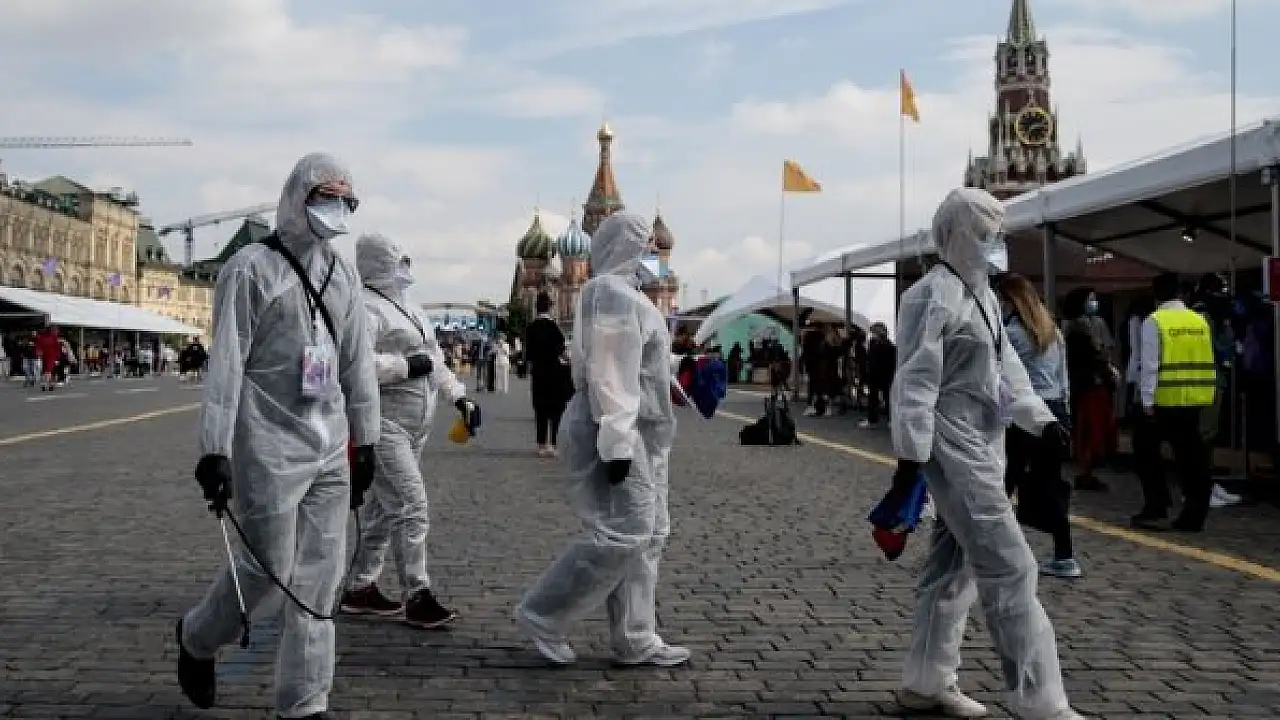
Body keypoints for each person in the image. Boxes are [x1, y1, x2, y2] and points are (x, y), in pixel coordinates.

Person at [176, 153, 381, 720]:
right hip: (268, 442)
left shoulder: (343, 275)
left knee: (320, 577)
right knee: (266, 567)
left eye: (345, 199)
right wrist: (214, 449)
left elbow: (358, 363)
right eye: (326, 196)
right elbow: (227, 363)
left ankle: (305, 702)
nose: (336, 208)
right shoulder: (250, 269)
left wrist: (365, 439)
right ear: (298, 196)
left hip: (329, 442)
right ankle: (197, 637)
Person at [888, 188, 1080, 720]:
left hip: (983, 443)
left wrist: (1040, 420)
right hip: (951, 445)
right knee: (1011, 566)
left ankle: (926, 681)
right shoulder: (931, 295)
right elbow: (915, 384)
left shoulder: (982, 297)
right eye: (983, 232)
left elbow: (1006, 371)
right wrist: (910, 461)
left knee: (952, 570)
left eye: (998, 231)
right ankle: (1040, 700)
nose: (993, 241)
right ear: (956, 233)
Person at [514, 212, 689, 668]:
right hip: (618, 429)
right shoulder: (611, 293)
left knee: (650, 533)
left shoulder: (630, 296)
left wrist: (677, 382)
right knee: (626, 532)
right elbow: (611, 374)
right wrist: (617, 444)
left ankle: (635, 635)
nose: (656, 254)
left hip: (641, 430)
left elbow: (642, 364)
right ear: (626, 246)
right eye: (648, 245)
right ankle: (543, 613)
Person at [341, 232, 475, 629]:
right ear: (379, 263)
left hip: (416, 425)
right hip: (383, 424)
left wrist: (459, 397)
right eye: (398, 261)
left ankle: (360, 587)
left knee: (384, 511)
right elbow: (355, 363)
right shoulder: (362, 307)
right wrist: (404, 367)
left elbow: (435, 360)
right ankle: (417, 593)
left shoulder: (410, 308)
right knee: (411, 505)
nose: (406, 268)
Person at [996, 273, 1079, 579]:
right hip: (1054, 411)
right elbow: (1063, 380)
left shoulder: (1011, 334)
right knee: (1052, 484)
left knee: (1005, 482)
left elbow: (1001, 379)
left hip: (1025, 413)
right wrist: (1064, 418)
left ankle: (995, 553)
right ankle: (1064, 556)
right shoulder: (1052, 331)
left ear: (1009, 301)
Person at [1130, 273, 1216, 533]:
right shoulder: (1199, 320)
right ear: (1179, 293)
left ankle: (1157, 506)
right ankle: (1195, 512)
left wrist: (1146, 400)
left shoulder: (1155, 320)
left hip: (1164, 399)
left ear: (1155, 294)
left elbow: (1150, 364)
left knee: (1145, 452)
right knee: (1192, 457)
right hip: (1196, 398)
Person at [1062, 288, 1116, 492]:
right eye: (1090, 299)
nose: (1094, 303)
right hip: (1088, 385)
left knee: (1091, 429)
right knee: (1089, 429)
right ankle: (1086, 471)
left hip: (1088, 384)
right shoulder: (1076, 331)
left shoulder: (1089, 326)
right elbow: (1092, 357)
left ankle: (1087, 471)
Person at [525, 292, 571, 457]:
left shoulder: (530, 328)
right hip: (554, 372)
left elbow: (528, 354)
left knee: (540, 408)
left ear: (536, 308)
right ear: (550, 307)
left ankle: (541, 444)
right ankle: (553, 444)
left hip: (538, 373)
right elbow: (562, 351)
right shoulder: (554, 327)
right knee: (556, 409)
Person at [860, 322, 895, 428]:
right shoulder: (880, 344)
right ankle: (879, 419)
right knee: (878, 398)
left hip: (882, 374)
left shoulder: (885, 345)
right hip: (879, 375)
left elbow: (873, 360)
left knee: (883, 398)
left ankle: (881, 420)